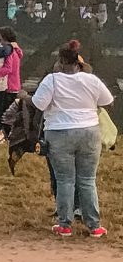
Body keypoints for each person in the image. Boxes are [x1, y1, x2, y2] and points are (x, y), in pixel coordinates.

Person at [32, 40, 113, 238]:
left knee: (65, 180)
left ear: (60, 60)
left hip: (59, 133)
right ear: (79, 61)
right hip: (89, 131)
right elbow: (107, 100)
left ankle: (65, 225)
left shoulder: (51, 80)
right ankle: (94, 226)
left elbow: (38, 104)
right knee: (88, 180)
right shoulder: (91, 79)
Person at [0, 27, 22, 143]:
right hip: (15, 85)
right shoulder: (16, 50)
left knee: (4, 114)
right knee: (9, 113)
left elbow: (8, 68)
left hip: (8, 85)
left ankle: (4, 135)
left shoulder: (9, 52)